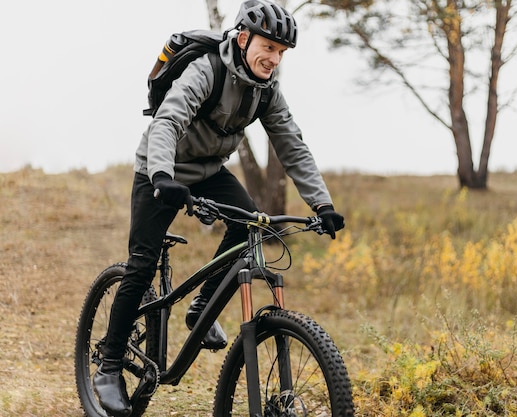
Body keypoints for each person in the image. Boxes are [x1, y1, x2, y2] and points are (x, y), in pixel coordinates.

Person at [92, 1, 345, 416]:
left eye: (282, 52)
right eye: (268, 46)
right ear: (243, 39)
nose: (274, 58)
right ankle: (109, 365)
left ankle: (200, 308)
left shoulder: (267, 90)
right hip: (161, 167)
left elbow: (292, 145)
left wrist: (322, 202)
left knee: (250, 225)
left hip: (208, 171)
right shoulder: (206, 70)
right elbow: (168, 121)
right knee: (141, 265)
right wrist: (161, 176)